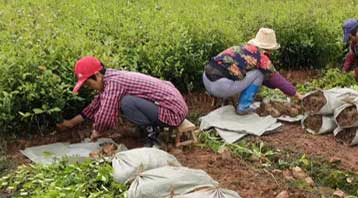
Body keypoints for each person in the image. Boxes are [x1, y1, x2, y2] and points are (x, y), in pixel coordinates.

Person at [57, 56, 188, 148]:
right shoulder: (110, 79)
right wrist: (71, 123)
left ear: (97, 75)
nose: (89, 87)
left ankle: (153, 135)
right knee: (123, 101)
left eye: (88, 84)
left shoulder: (114, 83)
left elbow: (105, 115)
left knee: (126, 102)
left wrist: (97, 131)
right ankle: (149, 128)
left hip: (173, 112)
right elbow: (95, 105)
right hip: (172, 105)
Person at [203, 28, 301, 114]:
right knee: (258, 74)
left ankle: (222, 101)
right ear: (269, 49)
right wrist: (297, 95)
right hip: (219, 87)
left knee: (238, 72)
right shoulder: (262, 58)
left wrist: (273, 85)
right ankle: (243, 108)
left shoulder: (243, 48)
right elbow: (278, 80)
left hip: (207, 80)